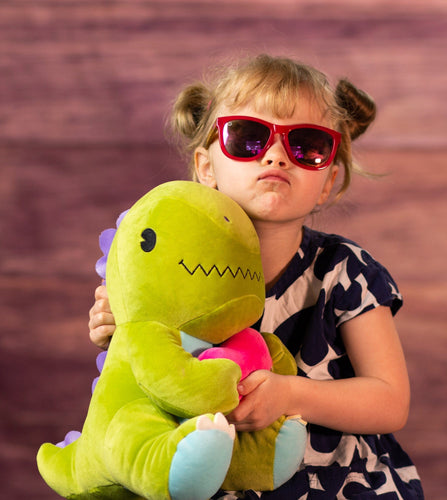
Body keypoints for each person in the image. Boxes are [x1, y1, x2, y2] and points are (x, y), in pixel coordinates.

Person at [88, 54, 424, 499]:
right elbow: (149, 375)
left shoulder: (344, 270)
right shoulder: (169, 269)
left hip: (337, 487)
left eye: (307, 145)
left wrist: (290, 395)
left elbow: (390, 401)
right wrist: (123, 329)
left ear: (328, 182)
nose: (277, 155)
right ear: (206, 168)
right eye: (247, 137)